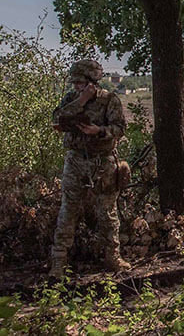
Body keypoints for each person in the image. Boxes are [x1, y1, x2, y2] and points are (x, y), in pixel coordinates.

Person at [49, 59, 129, 278]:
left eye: (80, 82)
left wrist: (99, 131)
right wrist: (81, 100)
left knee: (107, 212)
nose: (76, 86)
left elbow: (120, 128)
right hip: (75, 161)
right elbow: (57, 118)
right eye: (74, 82)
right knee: (68, 210)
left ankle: (113, 257)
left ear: (93, 81)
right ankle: (58, 262)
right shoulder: (71, 99)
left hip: (103, 162)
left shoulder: (109, 100)